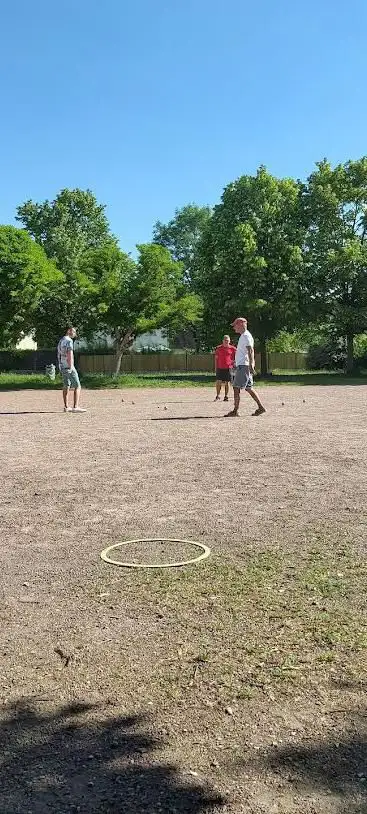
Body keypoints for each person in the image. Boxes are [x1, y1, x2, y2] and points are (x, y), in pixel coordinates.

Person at [225, 317, 266, 417]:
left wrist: (252, 364)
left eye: (235, 325)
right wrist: (237, 361)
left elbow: (250, 350)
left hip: (244, 366)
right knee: (249, 388)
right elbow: (244, 352)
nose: (234, 327)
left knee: (236, 387)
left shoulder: (246, 336)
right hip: (243, 364)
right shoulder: (244, 336)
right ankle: (260, 408)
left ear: (241, 324)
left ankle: (235, 411)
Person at [57, 326, 86, 413]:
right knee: (77, 385)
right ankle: (75, 407)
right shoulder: (69, 341)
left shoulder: (61, 340)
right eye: (74, 332)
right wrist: (70, 366)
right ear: (69, 331)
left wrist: (60, 365)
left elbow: (59, 354)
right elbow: (69, 354)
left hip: (62, 365)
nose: (75, 334)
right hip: (69, 366)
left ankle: (66, 407)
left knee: (66, 385)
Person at [214, 335, 236, 401]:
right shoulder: (218, 348)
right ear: (223, 341)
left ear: (229, 341)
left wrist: (234, 364)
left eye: (227, 340)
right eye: (225, 340)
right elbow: (216, 359)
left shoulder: (233, 349)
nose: (226, 341)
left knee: (227, 382)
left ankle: (226, 396)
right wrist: (215, 367)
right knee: (218, 382)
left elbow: (236, 358)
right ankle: (218, 395)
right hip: (220, 367)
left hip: (228, 368)